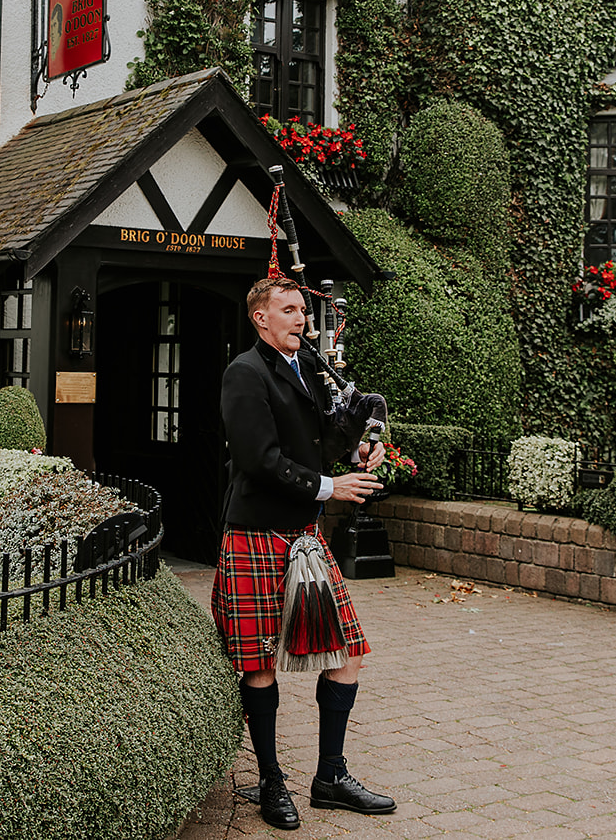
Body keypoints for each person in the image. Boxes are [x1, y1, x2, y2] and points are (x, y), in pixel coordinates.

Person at [212, 276, 397, 831]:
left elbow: (326, 436)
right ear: (260, 318)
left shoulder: (306, 370)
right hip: (256, 535)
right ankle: (271, 781)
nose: (301, 319)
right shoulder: (244, 373)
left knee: (347, 651)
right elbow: (258, 458)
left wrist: (362, 440)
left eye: (303, 310)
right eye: (288, 310)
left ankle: (330, 777)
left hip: (304, 538)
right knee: (259, 663)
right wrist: (329, 487)